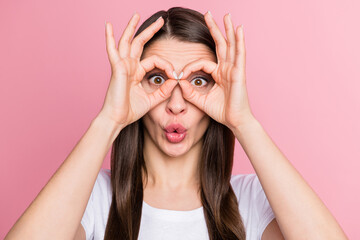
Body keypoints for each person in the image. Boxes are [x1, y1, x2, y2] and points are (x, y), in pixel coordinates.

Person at [5, 6, 347, 240]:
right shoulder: (93, 199)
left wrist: (243, 122)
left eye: (198, 81)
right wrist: (109, 118)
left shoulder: (250, 202)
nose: (176, 103)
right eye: (157, 79)